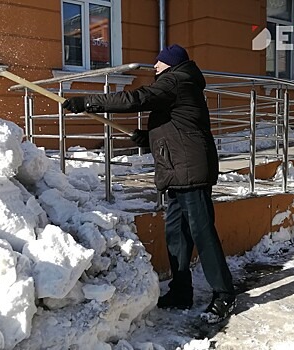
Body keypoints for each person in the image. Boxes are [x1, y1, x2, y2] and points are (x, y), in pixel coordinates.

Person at [62, 44, 236, 323]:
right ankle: (181, 291)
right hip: (178, 170)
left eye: (159, 62)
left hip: (190, 171)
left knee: (202, 233)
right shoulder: (178, 84)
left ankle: (224, 294)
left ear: (172, 64)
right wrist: (150, 137)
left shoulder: (177, 80)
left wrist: (87, 102)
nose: (154, 66)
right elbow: (179, 124)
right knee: (176, 235)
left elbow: (136, 99)